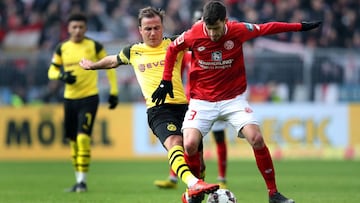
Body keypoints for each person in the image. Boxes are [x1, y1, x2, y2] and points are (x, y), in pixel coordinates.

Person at [151, 1, 321, 203]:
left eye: (217, 28)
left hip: (233, 100)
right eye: (209, 28)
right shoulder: (193, 33)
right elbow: (172, 50)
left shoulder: (238, 30)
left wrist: (299, 26)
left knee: (256, 138)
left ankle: (273, 193)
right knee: (189, 144)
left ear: (226, 21)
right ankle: (196, 190)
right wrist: (166, 80)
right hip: (202, 101)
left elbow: (268, 28)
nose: (213, 34)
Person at [78, 6, 219, 202]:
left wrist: (209, 21)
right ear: (140, 30)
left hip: (186, 109)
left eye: (156, 28)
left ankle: (191, 196)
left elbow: (197, 35)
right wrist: (92, 65)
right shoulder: (133, 51)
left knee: (200, 164)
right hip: (158, 109)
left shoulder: (174, 43)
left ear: (162, 28)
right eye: (148, 29)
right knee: (175, 144)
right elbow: (113, 60)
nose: (153, 33)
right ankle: (192, 184)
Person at [47, 13, 119, 192]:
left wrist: (114, 91)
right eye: (74, 27)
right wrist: (62, 75)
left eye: (81, 27)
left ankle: (83, 182)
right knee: (73, 141)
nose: (77, 30)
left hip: (89, 97)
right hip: (69, 99)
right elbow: (51, 72)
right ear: (68, 29)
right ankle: (78, 180)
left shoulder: (94, 46)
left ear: (86, 28)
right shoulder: (61, 48)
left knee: (82, 138)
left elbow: (110, 66)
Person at [154, 48, 228, 190]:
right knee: (183, 140)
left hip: (217, 100)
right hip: (193, 102)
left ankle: (221, 178)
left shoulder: (219, 54)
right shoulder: (186, 56)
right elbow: (177, 76)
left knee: (218, 138)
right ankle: (174, 177)